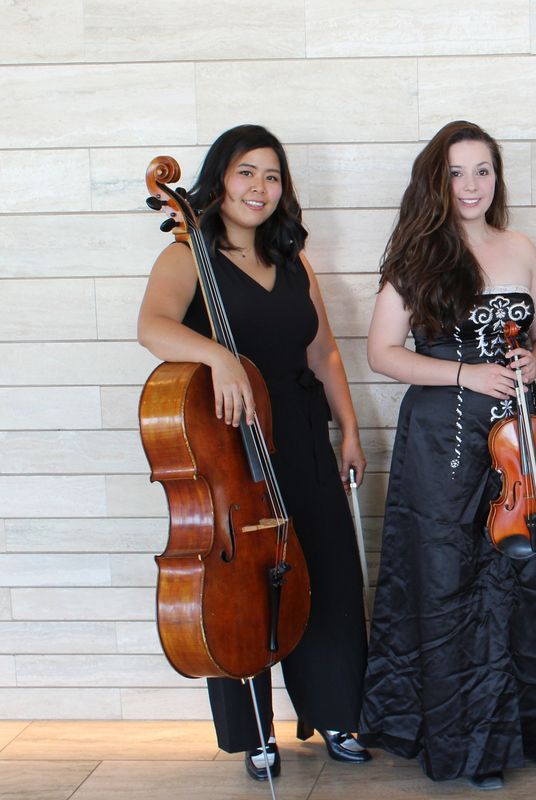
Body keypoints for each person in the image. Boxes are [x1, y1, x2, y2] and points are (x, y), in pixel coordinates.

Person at [358, 120, 536, 790]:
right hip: (444, 445)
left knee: (527, 580)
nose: (471, 185)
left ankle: (534, 731)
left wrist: (531, 359)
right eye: (458, 172)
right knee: (452, 584)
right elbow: (382, 354)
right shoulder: (417, 256)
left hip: (521, 442)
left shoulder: (519, 246)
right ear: (438, 179)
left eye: (483, 170)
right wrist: (465, 373)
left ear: (498, 177)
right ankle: (468, 746)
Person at [136, 124, 371, 780]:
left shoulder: (292, 260)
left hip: (299, 427)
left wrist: (348, 430)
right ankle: (257, 731)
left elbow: (322, 350)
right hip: (229, 440)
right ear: (220, 179)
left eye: (272, 176)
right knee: (243, 579)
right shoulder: (187, 255)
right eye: (246, 173)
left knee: (325, 571)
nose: (259, 188)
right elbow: (151, 326)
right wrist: (218, 356)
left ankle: (337, 715)